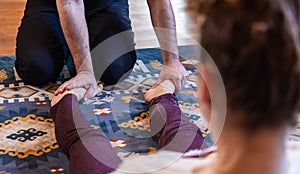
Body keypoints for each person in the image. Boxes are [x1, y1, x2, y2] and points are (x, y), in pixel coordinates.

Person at [51, 0, 300, 174]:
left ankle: (66, 104)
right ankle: (163, 97)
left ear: (204, 89)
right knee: (188, 140)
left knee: (86, 143)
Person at [15, 0, 188, 101]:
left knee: (113, 70)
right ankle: (72, 42)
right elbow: (69, 2)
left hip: (106, 3)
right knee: (36, 69)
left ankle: (80, 36)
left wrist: (172, 61)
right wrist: (84, 71)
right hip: (50, 4)